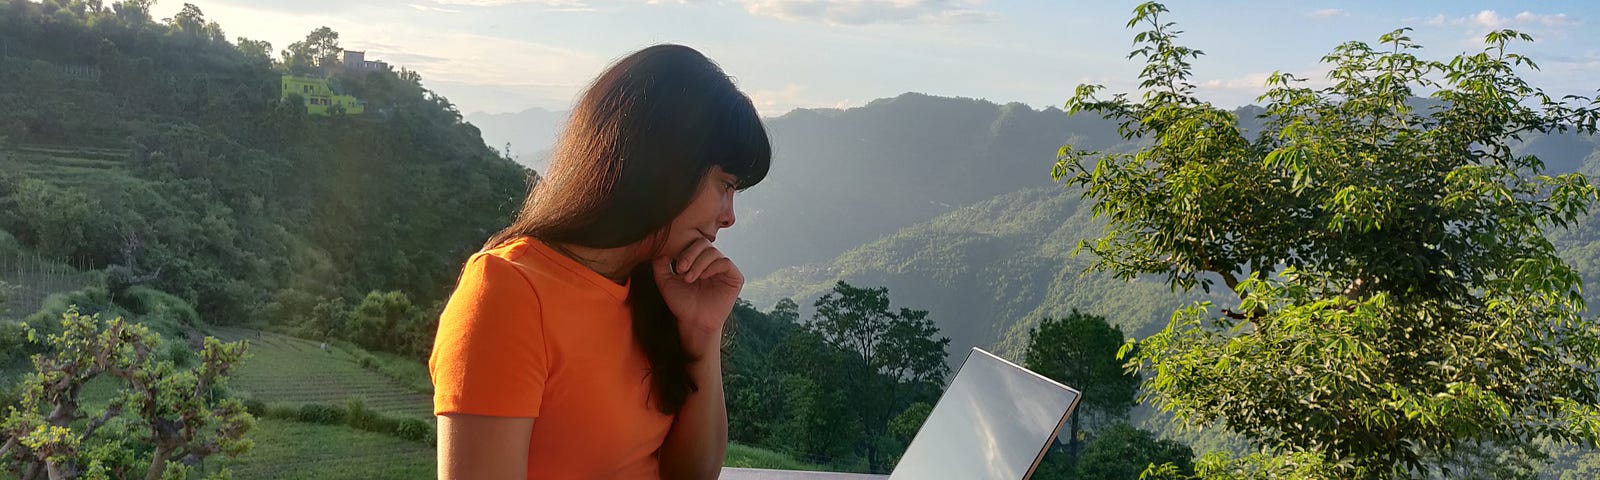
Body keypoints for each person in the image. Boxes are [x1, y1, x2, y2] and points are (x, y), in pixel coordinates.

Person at [428, 44, 770, 480]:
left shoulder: (650, 289)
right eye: (725, 184)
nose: (729, 215)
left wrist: (702, 335)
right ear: (664, 164)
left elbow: (694, 474)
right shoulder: (507, 293)